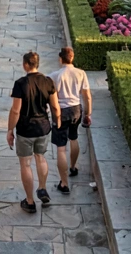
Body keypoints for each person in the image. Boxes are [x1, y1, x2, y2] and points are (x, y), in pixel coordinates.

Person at [8, 51, 60, 213]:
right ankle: (42, 188)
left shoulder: (20, 84)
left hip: (25, 129)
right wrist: (57, 119)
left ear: (25, 65)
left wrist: (10, 129)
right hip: (43, 127)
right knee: (41, 157)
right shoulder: (47, 82)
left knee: (25, 164)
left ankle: (30, 201)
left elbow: (16, 110)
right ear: (37, 64)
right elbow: (55, 106)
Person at [48, 47, 91, 194]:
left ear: (61, 59)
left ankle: (64, 183)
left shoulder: (54, 75)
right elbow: (87, 95)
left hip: (61, 111)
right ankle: (73, 166)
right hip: (76, 109)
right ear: (72, 58)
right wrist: (88, 113)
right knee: (74, 138)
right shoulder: (81, 73)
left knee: (61, 147)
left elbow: (50, 96)